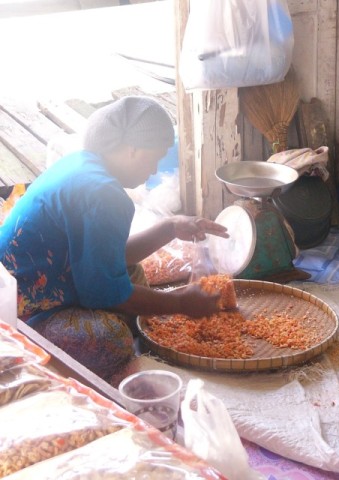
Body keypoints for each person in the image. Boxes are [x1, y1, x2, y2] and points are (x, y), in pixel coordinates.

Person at [0, 96, 229, 379]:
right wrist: (181, 303)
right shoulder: (104, 194)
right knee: (112, 340)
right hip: (19, 312)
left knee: (131, 274)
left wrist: (170, 227)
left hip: (39, 280)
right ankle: (34, 346)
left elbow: (110, 257)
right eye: (155, 158)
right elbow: (103, 292)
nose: (155, 170)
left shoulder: (80, 163)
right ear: (132, 149)